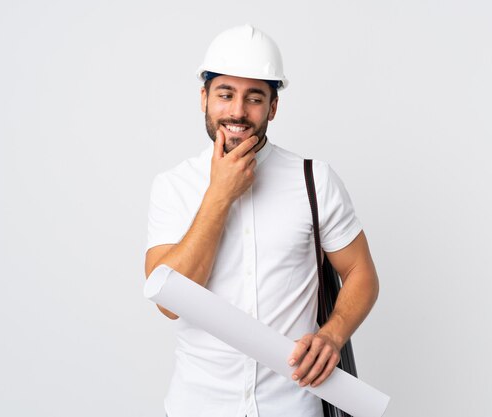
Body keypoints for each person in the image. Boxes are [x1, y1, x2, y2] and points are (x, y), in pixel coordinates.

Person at [144, 24, 379, 417]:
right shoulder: (173, 186)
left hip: (293, 405)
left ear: (273, 106)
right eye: (225, 94)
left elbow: (362, 272)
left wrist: (332, 335)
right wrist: (219, 195)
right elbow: (169, 302)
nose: (237, 111)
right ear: (204, 98)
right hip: (199, 406)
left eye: (254, 98)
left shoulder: (314, 179)